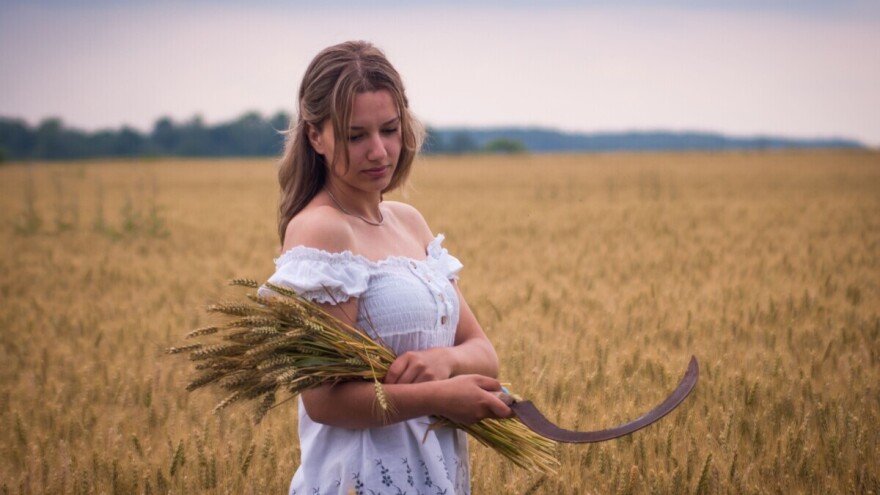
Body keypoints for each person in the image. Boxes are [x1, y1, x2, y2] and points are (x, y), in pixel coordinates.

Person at [260, 41, 513, 495]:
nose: (379, 151)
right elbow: (323, 402)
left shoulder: (409, 221)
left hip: (436, 476)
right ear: (315, 136)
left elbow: (483, 352)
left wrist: (446, 361)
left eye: (390, 129)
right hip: (361, 480)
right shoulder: (322, 232)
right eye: (356, 136)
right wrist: (440, 396)